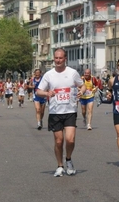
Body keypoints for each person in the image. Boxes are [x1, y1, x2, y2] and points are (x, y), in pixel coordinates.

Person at [36, 48, 84, 177]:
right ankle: (59, 165)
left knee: (70, 139)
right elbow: (38, 91)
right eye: (56, 58)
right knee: (58, 141)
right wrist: (47, 93)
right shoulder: (48, 75)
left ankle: (68, 159)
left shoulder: (73, 73)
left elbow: (82, 85)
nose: (58, 60)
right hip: (55, 112)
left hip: (70, 110)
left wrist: (82, 91)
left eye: (60, 58)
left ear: (65, 59)